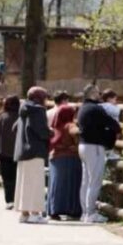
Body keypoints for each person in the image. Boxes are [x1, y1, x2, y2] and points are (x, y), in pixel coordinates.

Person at [77, 84, 121, 224]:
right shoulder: (96, 109)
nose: (99, 94)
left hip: (83, 145)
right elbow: (112, 123)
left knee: (85, 182)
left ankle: (84, 212)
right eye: (96, 92)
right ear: (91, 94)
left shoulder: (82, 108)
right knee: (94, 181)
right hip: (94, 147)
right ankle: (91, 213)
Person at [14, 87, 51, 224]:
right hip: (35, 150)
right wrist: (51, 133)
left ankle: (24, 214)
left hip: (22, 152)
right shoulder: (38, 110)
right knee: (36, 183)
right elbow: (41, 131)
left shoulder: (23, 109)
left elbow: (16, 128)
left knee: (24, 183)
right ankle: (35, 213)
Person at [46, 92, 83, 220]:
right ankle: (71, 209)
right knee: (71, 185)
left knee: (56, 185)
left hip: (55, 158)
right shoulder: (69, 125)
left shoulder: (55, 127)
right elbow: (77, 132)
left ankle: (53, 209)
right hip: (70, 158)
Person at [0, 95, 20, 209]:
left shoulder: (2, 117)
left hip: (4, 153)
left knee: (7, 178)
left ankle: (10, 200)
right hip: (18, 152)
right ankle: (18, 199)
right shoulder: (21, 117)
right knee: (17, 177)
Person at [100, 89, 122, 161]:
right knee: (110, 141)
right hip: (110, 129)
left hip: (103, 129)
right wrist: (118, 107)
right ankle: (109, 153)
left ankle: (108, 153)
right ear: (109, 99)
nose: (116, 102)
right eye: (115, 99)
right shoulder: (109, 106)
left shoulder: (100, 106)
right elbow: (116, 112)